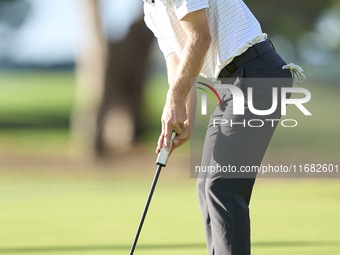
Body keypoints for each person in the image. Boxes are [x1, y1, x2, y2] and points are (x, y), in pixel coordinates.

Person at [143, 0, 304, 254]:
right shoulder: (150, 10)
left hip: (257, 73)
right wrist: (184, 117)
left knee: (222, 186)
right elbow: (180, 63)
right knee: (206, 185)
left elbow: (200, 38)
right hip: (233, 84)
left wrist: (174, 100)